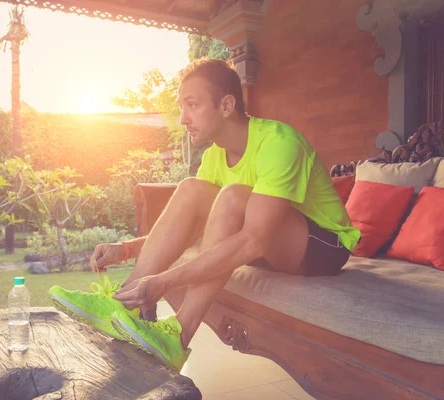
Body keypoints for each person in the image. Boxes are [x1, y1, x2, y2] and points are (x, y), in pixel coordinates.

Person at [49, 58, 361, 372]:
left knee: (233, 197)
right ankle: (122, 301)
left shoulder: (280, 144)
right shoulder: (214, 157)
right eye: (182, 107)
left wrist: (165, 281)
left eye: (192, 105)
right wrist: (127, 249)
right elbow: (192, 231)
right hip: (266, 241)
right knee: (191, 189)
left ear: (226, 105)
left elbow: (252, 241)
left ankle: (178, 336)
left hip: (324, 246)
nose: (183, 119)